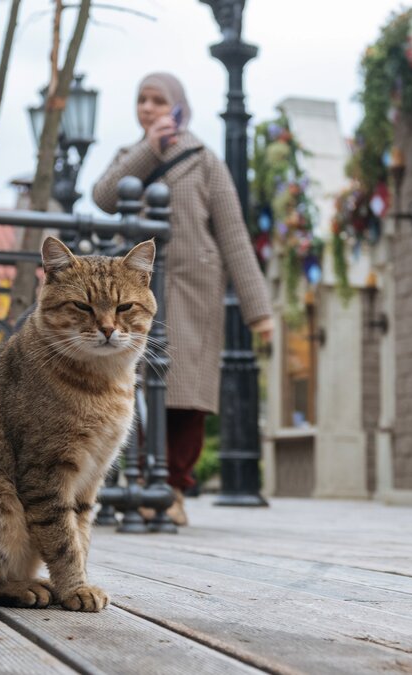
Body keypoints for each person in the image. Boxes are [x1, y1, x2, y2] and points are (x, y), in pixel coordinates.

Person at [92, 73, 273, 526]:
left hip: (193, 291)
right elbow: (104, 198)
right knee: (131, 387)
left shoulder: (204, 160)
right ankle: (133, 484)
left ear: (178, 106)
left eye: (158, 100)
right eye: (142, 99)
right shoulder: (129, 157)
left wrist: (260, 312)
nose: (148, 107)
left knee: (185, 394)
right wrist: (149, 147)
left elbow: (233, 234)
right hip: (131, 299)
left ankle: (172, 489)